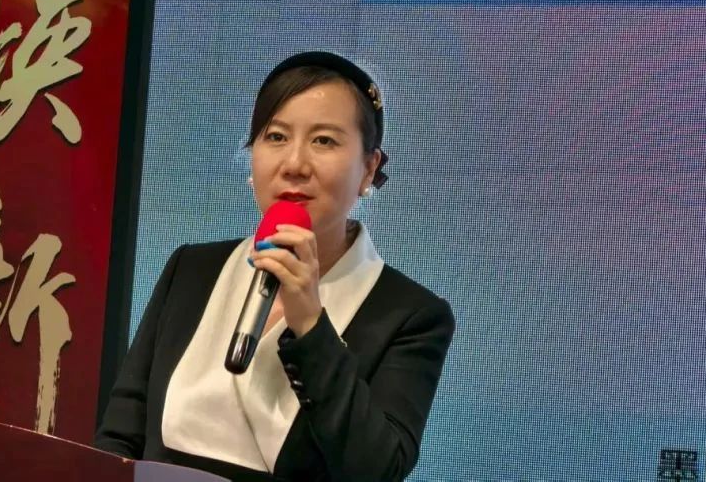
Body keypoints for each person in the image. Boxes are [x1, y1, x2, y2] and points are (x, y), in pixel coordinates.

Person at [95, 51, 455, 481]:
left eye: (324, 141)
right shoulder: (192, 269)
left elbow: (377, 471)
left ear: (368, 168)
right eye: (277, 136)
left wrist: (311, 326)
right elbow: (120, 438)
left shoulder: (411, 315)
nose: (294, 164)